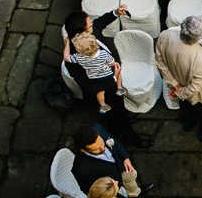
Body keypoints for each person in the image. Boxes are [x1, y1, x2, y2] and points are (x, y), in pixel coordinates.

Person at [63, 9, 153, 149]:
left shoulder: (90, 31)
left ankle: (113, 122)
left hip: (112, 74)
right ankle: (130, 137)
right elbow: (87, 87)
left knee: (117, 110)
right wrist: (113, 78)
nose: (92, 24)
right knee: (118, 111)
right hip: (106, 87)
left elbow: (100, 22)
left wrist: (116, 12)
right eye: (89, 24)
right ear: (82, 34)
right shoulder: (75, 58)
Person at [155, 15, 202, 142]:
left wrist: (175, 84)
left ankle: (188, 124)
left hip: (178, 82)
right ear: (199, 37)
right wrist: (179, 93)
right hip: (201, 92)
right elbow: (194, 88)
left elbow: (160, 62)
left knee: (185, 106)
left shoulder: (165, 35)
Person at [71, 124, 154, 197]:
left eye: (102, 143)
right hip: (113, 188)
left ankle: (135, 194)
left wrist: (125, 157)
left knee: (131, 181)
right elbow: (90, 191)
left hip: (122, 167)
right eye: (96, 149)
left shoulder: (97, 128)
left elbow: (115, 144)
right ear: (83, 150)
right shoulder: (81, 170)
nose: (103, 149)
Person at [64, 32, 123, 114]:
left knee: (100, 91)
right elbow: (112, 63)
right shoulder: (103, 54)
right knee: (118, 70)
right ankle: (119, 88)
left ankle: (103, 106)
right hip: (108, 75)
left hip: (95, 78)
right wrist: (114, 64)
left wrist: (67, 44)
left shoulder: (79, 57)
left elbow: (66, 58)